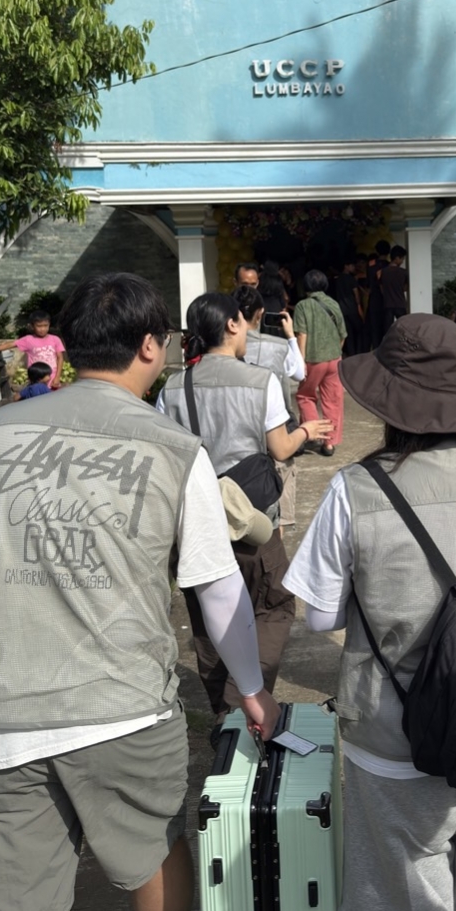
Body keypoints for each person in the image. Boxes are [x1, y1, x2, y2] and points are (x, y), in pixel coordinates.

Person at [0, 272, 278, 911]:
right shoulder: (176, 451)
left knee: (20, 892)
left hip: (4, 710)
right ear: (150, 345)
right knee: (153, 847)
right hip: (127, 710)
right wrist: (251, 688)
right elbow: (218, 584)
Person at [284, 314, 456, 911]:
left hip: (392, 736)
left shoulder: (357, 489)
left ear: (391, 403)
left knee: (401, 909)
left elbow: (321, 614)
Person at [156, 292, 331, 724]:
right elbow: (280, 448)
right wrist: (307, 430)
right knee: (273, 606)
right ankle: (243, 704)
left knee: (207, 621)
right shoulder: (259, 381)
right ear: (233, 324)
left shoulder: (174, 387)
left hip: (196, 525)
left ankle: (225, 715)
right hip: (251, 521)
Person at [234, 283, 306, 532]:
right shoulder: (277, 346)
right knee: (277, 507)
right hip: (276, 430)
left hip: (239, 434)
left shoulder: (223, 348)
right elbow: (300, 373)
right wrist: (290, 336)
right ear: (261, 313)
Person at [293, 269, 347, 457]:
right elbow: (342, 334)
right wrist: (335, 352)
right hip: (334, 358)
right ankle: (329, 443)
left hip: (313, 360)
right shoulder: (333, 303)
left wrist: (301, 361)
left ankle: (314, 433)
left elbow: (302, 335)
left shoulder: (302, 306)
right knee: (333, 400)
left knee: (305, 396)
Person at [0, 307, 66, 388]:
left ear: (49, 325)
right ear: (32, 326)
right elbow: (10, 344)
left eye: (45, 325)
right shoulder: (28, 340)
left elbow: (60, 358)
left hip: (52, 378)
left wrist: (57, 377)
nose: (42, 329)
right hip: (36, 380)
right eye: (39, 326)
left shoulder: (55, 339)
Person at [335, 254, 365, 356]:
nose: (353, 267)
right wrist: (359, 306)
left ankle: (351, 353)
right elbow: (356, 294)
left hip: (342, 310)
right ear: (346, 266)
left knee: (348, 333)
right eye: (351, 265)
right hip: (352, 309)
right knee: (360, 330)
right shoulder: (351, 279)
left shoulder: (338, 279)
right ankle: (359, 352)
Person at [378, 244, 409, 328]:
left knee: (388, 329)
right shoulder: (403, 272)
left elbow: (382, 289)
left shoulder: (383, 272)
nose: (402, 261)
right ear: (397, 258)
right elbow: (405, 288)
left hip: (387, 304)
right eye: (402, 259)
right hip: (400, 304)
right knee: (404, 328)